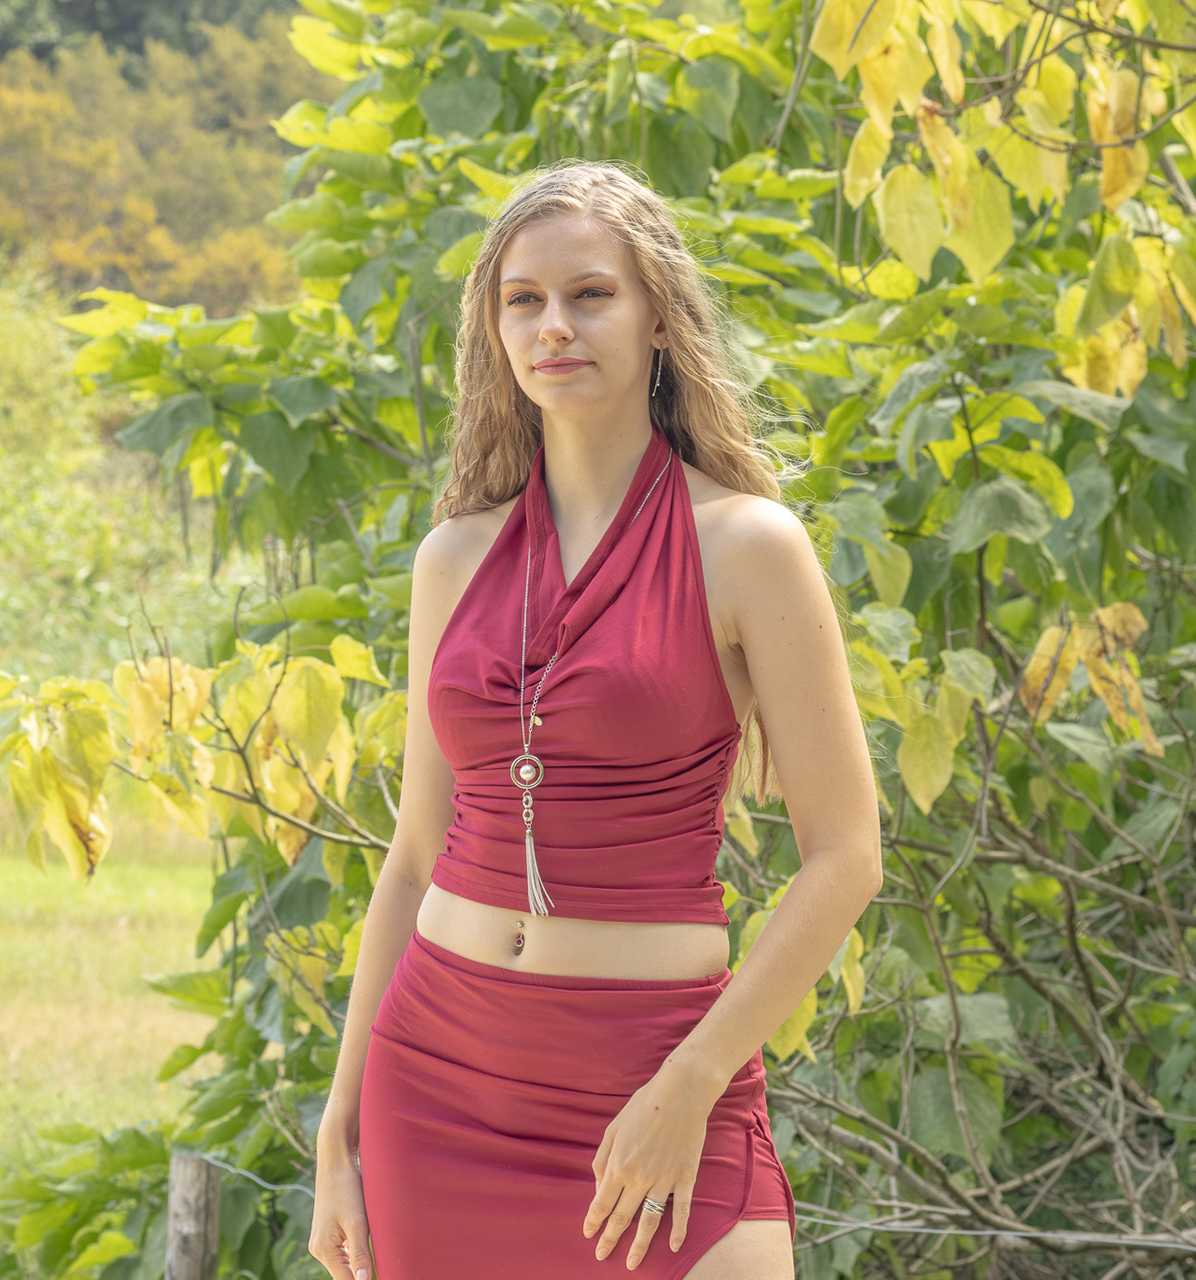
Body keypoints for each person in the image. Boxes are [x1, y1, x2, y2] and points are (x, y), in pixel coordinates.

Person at [308, 160, 882, 1280]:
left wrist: (692, 1080)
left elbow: (846, 854)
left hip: (655, 1076)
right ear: (494, 330)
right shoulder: (453, 556)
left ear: (659, 317)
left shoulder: (749, 545)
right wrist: (341, 1123)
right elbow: (416, 852)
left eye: (591, 294)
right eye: (523, 300)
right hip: (436, 1084)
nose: (554, 326)